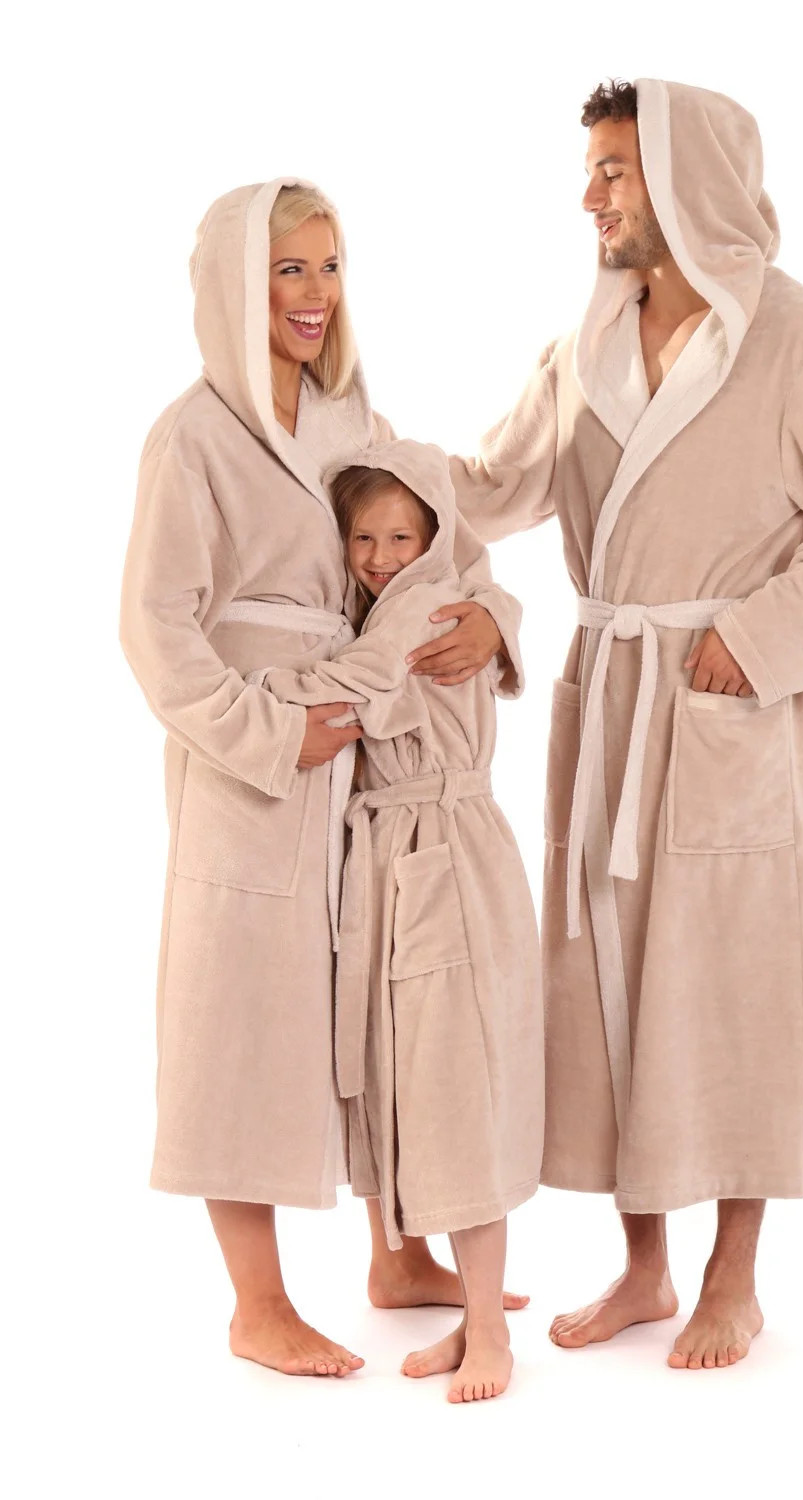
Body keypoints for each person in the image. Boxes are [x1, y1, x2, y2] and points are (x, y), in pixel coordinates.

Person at [416, 78, 803, 1370]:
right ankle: (643, 1267)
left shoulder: (793, 337)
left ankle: (732, 1279)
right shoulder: (587, 341)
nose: (588, 195)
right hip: (611, 696)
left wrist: (756, 640)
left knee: (735, 978)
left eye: (614, 170)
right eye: (591, 168)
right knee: (608, 978)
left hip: (720, 702)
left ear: (685, 177)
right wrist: (350, 449)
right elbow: (493, 485)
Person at [120, 178, 523, 1378]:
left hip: (367, 760)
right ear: (232, 286)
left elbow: (445, 545)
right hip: (253, 762)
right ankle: (257, 1305)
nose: (314, 294)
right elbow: (154, 626)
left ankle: (398, 1255)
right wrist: (260, 733)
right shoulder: (191, 437)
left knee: (377, 1004)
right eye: (288, 269)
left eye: (330, 266)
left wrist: (493, 622)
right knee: (238, 1018)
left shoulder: (354, 419)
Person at [256, 441, 543, 1402]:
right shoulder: (383, 606)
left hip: (442, 853)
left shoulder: (425, 608)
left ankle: (488, 1330)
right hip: (392, 853)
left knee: (456, 1083)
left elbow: (353, 690)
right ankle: (402, 1267)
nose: (381, 557)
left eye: (401, 537)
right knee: (391, 1071)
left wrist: (246, 689)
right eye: (363, 538)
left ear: (435, 537)